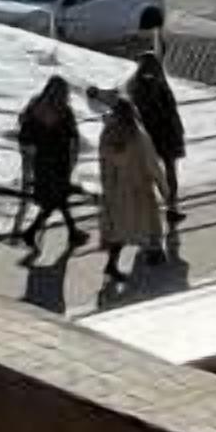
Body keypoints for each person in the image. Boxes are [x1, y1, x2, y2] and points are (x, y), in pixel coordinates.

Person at [13, 74, 83, 269]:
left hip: (42, 161)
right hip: (59, 160)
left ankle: (72, 232)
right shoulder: (63, 110)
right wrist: (72, 157)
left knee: (56, 198)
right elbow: (72, 135)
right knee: (57, 198)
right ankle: (33, 231)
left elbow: (25, 132)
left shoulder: (36, 106)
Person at [96, 91, 163, 290]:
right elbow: (152, 163)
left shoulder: (108, 134)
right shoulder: (138, 135)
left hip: (117, 188)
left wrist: (107, 186)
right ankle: (153, 253)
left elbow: (104, 163)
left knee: (118, 228)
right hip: (139, 187)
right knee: (149, 223)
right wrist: (163, 187)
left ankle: (112, 264)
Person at [128, 43, 187, 254]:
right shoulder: (156, 84)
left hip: (150, 135)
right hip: (162, 134)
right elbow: (168, 110)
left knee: (150, 175)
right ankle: (170, 207)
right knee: (166, 173)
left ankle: (156, 212)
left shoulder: (135, 85)